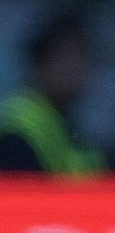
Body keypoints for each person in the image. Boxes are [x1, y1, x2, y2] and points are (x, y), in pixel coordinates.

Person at [0, 12, 105, 175]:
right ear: (41, 63)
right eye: (66, 58)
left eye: (82, 58)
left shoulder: (69, 123)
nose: (76, 69)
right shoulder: (18, 131)